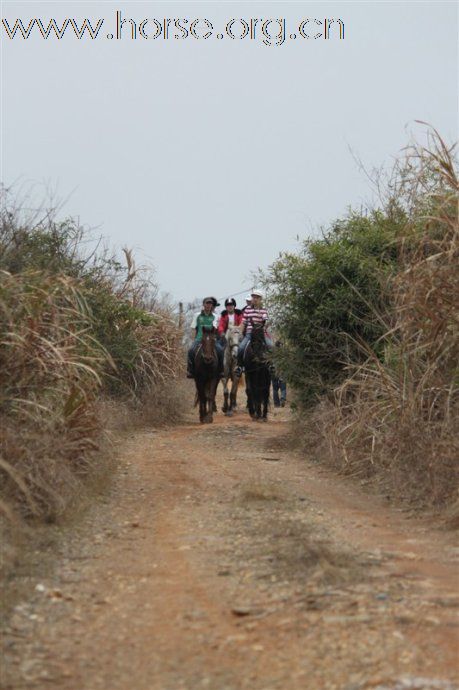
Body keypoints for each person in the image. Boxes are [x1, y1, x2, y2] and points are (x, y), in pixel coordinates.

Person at [237, 289, 273, 371]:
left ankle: (271, 365)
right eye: (253, 297)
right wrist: (240, 333)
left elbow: (265, 320)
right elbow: (244, 322)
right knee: (241, 348)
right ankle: (239, 366)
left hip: (261, 334)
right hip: (249, 333)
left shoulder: (263, 309)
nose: (255, 299)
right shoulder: (247, 309)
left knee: (270, 345)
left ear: (260, 299)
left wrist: (265, 323)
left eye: (257, 297)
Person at [187, 297, 220, 378]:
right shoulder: (197, 315)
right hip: (199, 339)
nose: (208, 305)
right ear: (203, 304)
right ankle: (191, 370)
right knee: (190, 350)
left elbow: (215, 329)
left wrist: (214, 339)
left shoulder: (215, 316)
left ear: (212, 305)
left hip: (211, 340)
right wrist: (193, 339)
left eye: (210, 304)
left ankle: (220, 371)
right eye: (207, 303)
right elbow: (193, 328)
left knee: (220, 350)